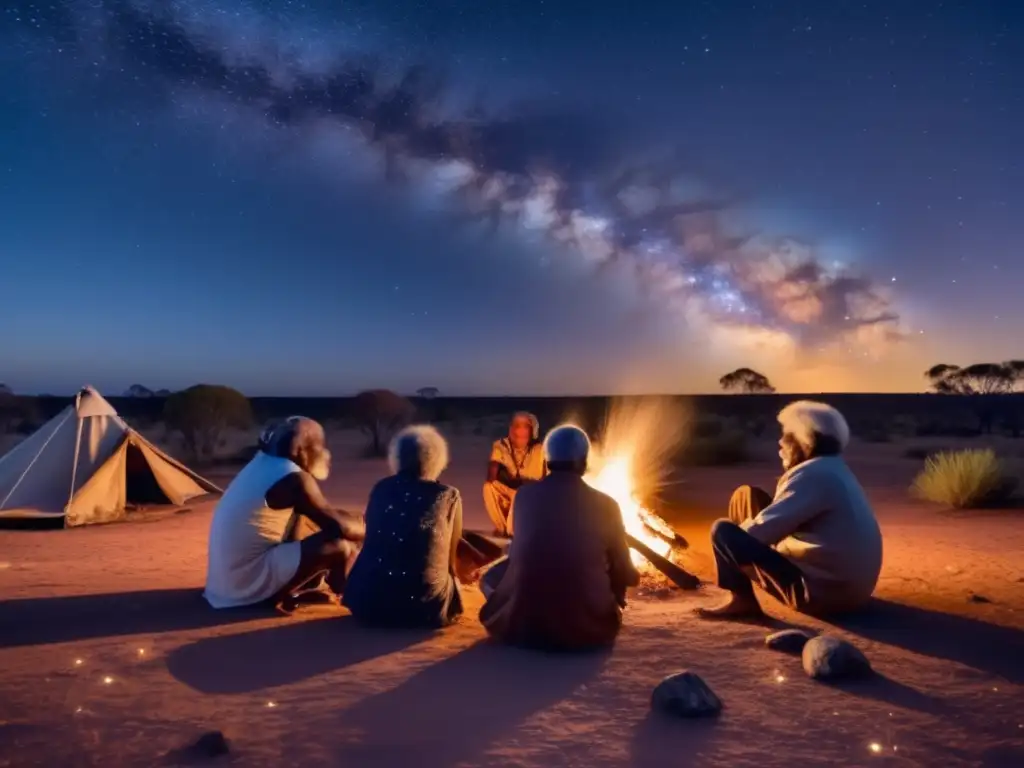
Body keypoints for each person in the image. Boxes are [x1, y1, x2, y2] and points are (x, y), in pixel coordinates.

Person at [696, 400, 883, 621]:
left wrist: (733, 547)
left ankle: (742, 603)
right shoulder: (834, 468)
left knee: (722, 530)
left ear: (804, 441)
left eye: (787, 436)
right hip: (853, 590)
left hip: (823, 596)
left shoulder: (812, 475)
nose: (780, 443)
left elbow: (757, 533)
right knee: (747, 496)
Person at [479, 424, 640, 652]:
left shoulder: (524, 496)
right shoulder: (608, 505)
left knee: (489, 578)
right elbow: (628, 574)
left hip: (526, 627)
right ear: (585, 461)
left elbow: (521, 551)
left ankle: (516, 611)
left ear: (547, 459)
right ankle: (594, 612)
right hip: (589, 631)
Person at [204, 416, 365, 613]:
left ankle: (311, 585)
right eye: (319, 446)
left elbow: (326, 514)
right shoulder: (293, 478)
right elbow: (339, 527)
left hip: (225, 585)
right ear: (300, 450)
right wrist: (372, 525)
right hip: (244, 588)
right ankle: (350, 593)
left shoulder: (261, 466)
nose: (324, 453)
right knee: (339, 546)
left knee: (311, 525)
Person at [343, 424, 465, 628]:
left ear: (397, 457)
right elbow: (452, 552)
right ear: (438, 458)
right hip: (425, 610)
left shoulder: (381, 488)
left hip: (369, 604)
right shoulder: (448, 495)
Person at [482, 411, 545, 537]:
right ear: (511, 429)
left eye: (525, 427)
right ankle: (503, 530)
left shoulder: (541, 449)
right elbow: (491, 477)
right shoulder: (501, 446)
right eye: (517, 426)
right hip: (510, 492)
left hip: (532, 496)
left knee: (519, 494)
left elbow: (548, 481)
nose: (520, 431)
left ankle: (513, 533)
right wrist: (496, 467)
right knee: (488, 488)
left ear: (532, 431)